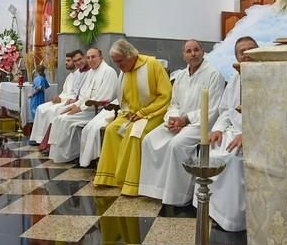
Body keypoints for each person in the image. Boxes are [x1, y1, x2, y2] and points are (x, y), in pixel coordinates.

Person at [138, 40, 225, 206]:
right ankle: (155, 189)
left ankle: (177, 195)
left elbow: (213, 108)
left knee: (176, 145)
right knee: (149, 140)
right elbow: (174, 103)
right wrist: (173, 119)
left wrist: (186, 120)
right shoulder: (180, 76)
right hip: (179, 121)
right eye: (188, 51)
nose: (193, 54)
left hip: (201, 123)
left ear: (202, 52)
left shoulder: (214, 75)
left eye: (196, 50)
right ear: (184, 55)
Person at [93, 39, 172, 196]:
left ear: (130, 55)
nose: (118, 66)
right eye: (115, 62)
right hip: (131, 114)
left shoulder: (152, 65)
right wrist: (128, 111)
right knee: (111, 130)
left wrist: (143, 113)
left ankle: (130, 183)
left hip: (155, 113)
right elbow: (126, 99)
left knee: (134, 134)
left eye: (120, 61)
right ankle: (110, 178)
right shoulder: (125, 70)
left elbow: (165, 95)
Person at [199, 36, 258, 232]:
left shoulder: (267, 78)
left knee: (232, 159)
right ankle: (213, 210)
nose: (248, 54)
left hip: (256, 135)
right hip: (232, 130)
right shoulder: (234, 79)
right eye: (243, 51)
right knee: (208, 151)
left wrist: (249, 134)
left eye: (252, 49)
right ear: (237, 58)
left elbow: (272, 115)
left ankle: (233, 219)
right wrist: (217, 129)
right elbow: (225, 110)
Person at [47, 48, 118, 163]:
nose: (90, 60)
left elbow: (105, 98)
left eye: (93, 57)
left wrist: (80, 108)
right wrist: (75, 105)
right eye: (88, 57)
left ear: (101, 57)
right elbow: (84, 95)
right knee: (59, 116)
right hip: (86, 108)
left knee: (65, 120)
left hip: (98, 110)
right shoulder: (91, 72)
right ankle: (67, 153)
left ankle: (68, 155)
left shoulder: (108, 72)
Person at [29, 50, 84, 145]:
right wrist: (58, 97)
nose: (66, 63)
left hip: (70, 102)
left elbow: (75, 94)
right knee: (40, 108)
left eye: (69, 61)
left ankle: (47, 141)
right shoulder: (70, 76)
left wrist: (62, 99)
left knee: (52, 111)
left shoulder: (80, 75)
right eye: (66, 61)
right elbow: (65, 92)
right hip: (64, 99)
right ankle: (37, 137)